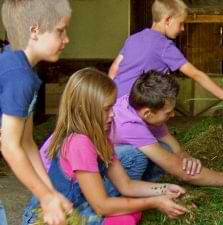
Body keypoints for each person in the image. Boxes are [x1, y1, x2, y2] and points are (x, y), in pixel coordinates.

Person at [22, 68, 189, 225]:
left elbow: (126, 185)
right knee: (126, 216)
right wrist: (154, 202)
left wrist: (164, 189)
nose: (113, 113)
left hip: (78, 209)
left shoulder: (100, 138)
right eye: (107, 109)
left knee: (131, 213)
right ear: (85, 109)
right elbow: (101, 205)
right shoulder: (79, 142)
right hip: (51, 218)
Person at [106, 70, 223, 196]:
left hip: (110, 159)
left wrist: (186, 157)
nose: (173, 115)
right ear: (148, 113)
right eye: (168, 113)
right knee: (135, 155)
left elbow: (171, 142)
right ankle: (118, 196)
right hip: (97, 174)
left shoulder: (137, 102)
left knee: (166, 150)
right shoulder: (130, 125)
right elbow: (183, 173)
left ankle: (146, 186)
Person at [0, 1, 72, 224]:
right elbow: (9, 145)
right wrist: (46, 197)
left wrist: (50, 192)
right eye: (60, 31)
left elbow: (26, 142)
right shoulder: (18, 75)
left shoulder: (23, 70)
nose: (67, 39)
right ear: (35, 30)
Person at [108, 0, 223, 110]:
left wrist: (110, 98)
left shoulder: (133, 38)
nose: (182, 29)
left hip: (114, 101)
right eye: (181, 23)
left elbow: (114, 70)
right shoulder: (165, 46)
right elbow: (196, 74)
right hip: (134, 106)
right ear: (168, 20)